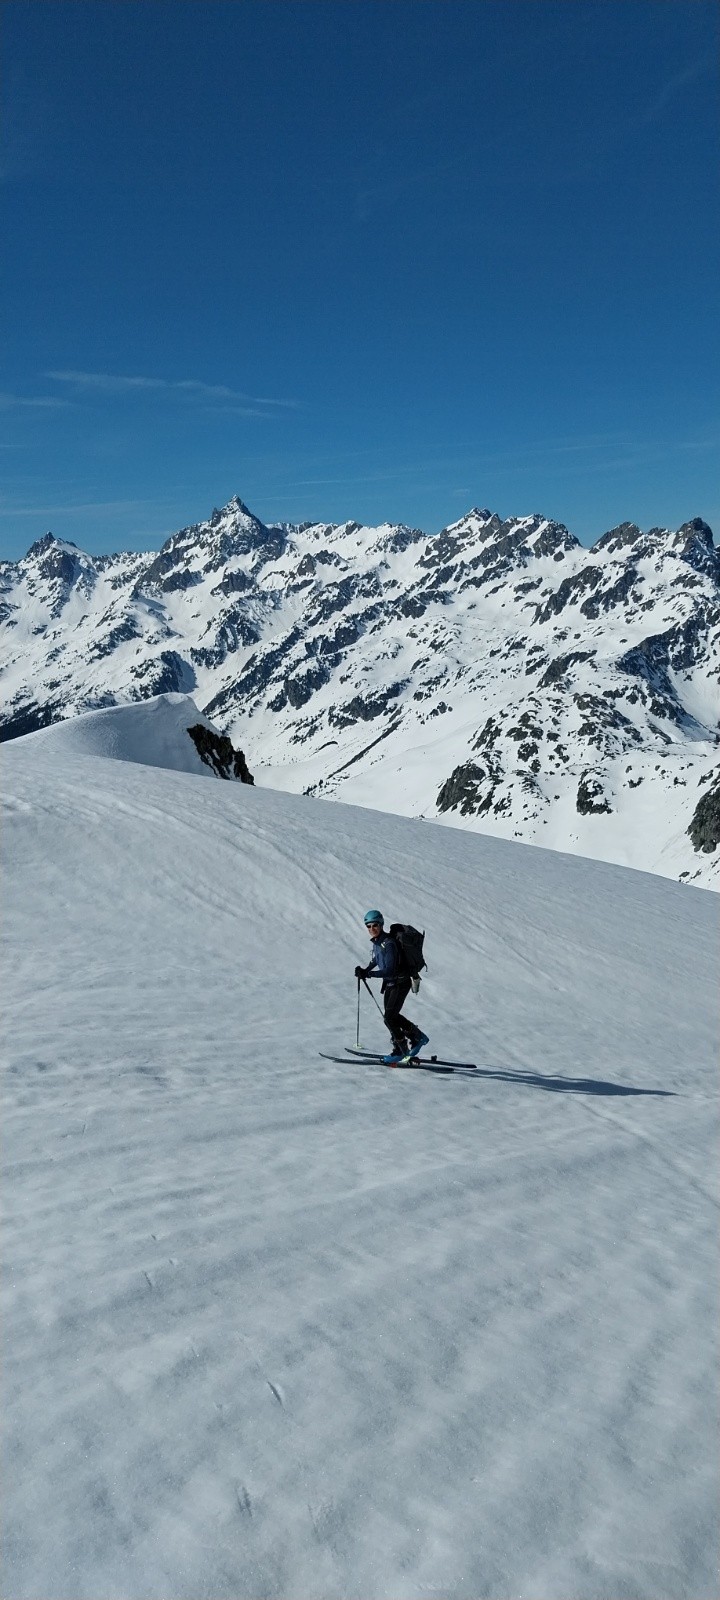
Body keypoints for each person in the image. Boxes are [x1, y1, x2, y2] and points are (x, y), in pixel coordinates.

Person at [354, 909, 429, 1061]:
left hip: (400, 983)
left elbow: (389, 970)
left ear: (381, 924)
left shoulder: (389, 943)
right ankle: (416, 1037)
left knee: (389, 1018)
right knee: (391, 1017)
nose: (372, 929)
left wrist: (369, 974)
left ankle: (401, 1050)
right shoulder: (378, 942)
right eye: (368, 926)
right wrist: (365, 970)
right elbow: (377, 959)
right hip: (390, 983)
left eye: (375, 925)